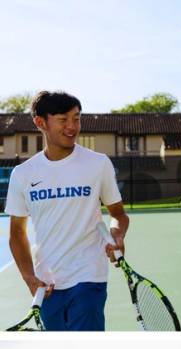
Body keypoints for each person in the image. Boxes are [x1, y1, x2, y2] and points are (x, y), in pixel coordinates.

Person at [4, 90, 129, 331]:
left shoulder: (98, 163)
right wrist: (29, 277)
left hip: (89, 276)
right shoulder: (23, 174)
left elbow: (118, 213)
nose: (72, 126)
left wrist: (117, 234)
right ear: (40, 122)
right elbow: (17, 234)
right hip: (48, 285)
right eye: (63, 120)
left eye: (77, 118)